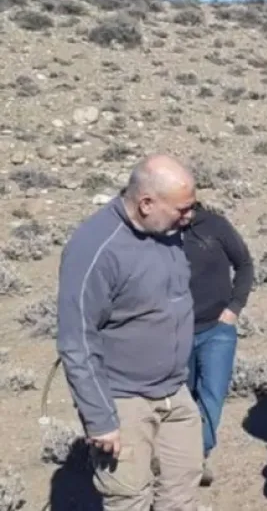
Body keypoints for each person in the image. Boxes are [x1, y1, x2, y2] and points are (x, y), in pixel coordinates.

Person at [56, 154, 201, 510]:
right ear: (146, 203)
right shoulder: (96, 247)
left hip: (175, 394)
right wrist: (100, 418)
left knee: (181, 494)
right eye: (182, 209)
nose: (190, 217)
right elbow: (77, 341)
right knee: (129, 500)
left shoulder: (167, 232)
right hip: (124, 400)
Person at [182, 201, 254, 486]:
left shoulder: (216, 226)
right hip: (176, 332)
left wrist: (234, 307)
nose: (181, 215)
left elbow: (245, 264)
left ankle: (197, 455)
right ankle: (178, 455)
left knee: (212, 395)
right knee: (181, 397)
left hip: (217, 329)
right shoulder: (161, 232)